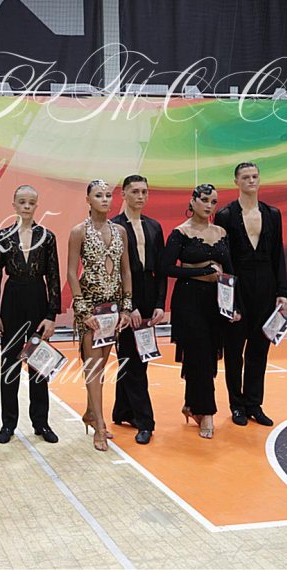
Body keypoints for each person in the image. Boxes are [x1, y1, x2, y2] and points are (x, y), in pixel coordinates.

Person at [162, 184, 242, 440]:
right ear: (193, 201)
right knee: (199, 355)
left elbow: (229, 271)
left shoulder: (221, 232)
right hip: (189, 300)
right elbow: (166, 268)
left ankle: (191, 405)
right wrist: (202, 271)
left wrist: (235, 305)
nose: (209, 205)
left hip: (216, 301)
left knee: (207, 357)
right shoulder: (180, 233)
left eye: (213, 201)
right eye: (205, 200)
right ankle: (207, 413)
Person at [214, 162, 287, 427]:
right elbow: (222, 259)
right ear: (236, 182)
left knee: (260, 348)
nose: (251, 181)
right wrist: (228, 299)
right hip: (238, 288)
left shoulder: (272, 214)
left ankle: (254, 404)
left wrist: (282, 290)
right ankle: (237, 405)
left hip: (266, 287)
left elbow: (278, 252)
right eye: (245, 177)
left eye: (255, 176)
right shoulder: (225, 215)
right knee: (234, 350)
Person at [0, 185, 62, 445]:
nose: (27, 206)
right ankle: (8, 423)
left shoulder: (47, 237)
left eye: (31, 202)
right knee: (9, 363)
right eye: (22, 201)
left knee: (39, 364)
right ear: (14, 205)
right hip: (11, 300)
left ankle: (41, 422)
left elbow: (53, 276)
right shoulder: (2, 236)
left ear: (37, 205)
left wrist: (51, 314)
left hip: (37, 300)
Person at [67, 180, 132, 451]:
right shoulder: (79, 232)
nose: (105, 200)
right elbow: (72, 273)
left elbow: (126, 270)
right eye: (98, 195)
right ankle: (100, 425)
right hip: (91, 307)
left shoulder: (120, 231)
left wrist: (126, 306)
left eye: (107, 195)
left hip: (112, 308)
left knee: (101, 366)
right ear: (88, 199)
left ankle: (91, 413)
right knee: (93, 367)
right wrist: (82, 311)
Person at [110, 175, 167, 445]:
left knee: (138, 357)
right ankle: (145, 422)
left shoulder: (154, 226)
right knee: (132, 359)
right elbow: (115, 272)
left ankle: (122, 411)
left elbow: (161, 270)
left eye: (144, 191)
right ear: (123, 194)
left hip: (149, 293)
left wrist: (160, 303)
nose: (140, 196)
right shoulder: (114, 227)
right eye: (135, 191)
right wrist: (127, 305)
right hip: (126, 296)